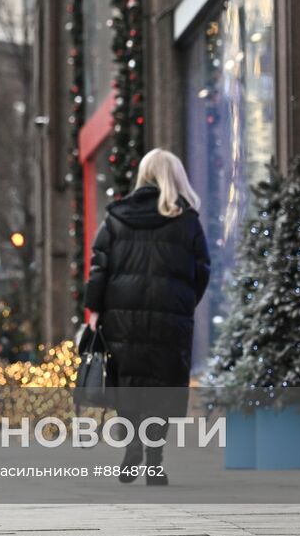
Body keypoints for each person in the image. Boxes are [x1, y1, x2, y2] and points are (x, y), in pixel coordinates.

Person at [84, 148, 210, 486]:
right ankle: (154, 461)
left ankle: (131, 446)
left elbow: (99, 267)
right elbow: (201, 271)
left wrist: (95, 309)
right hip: (170, 318)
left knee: (128, 383)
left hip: (122, 316)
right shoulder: (186, 220)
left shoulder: (117, 217)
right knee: (161, 387)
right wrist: (183, 303)